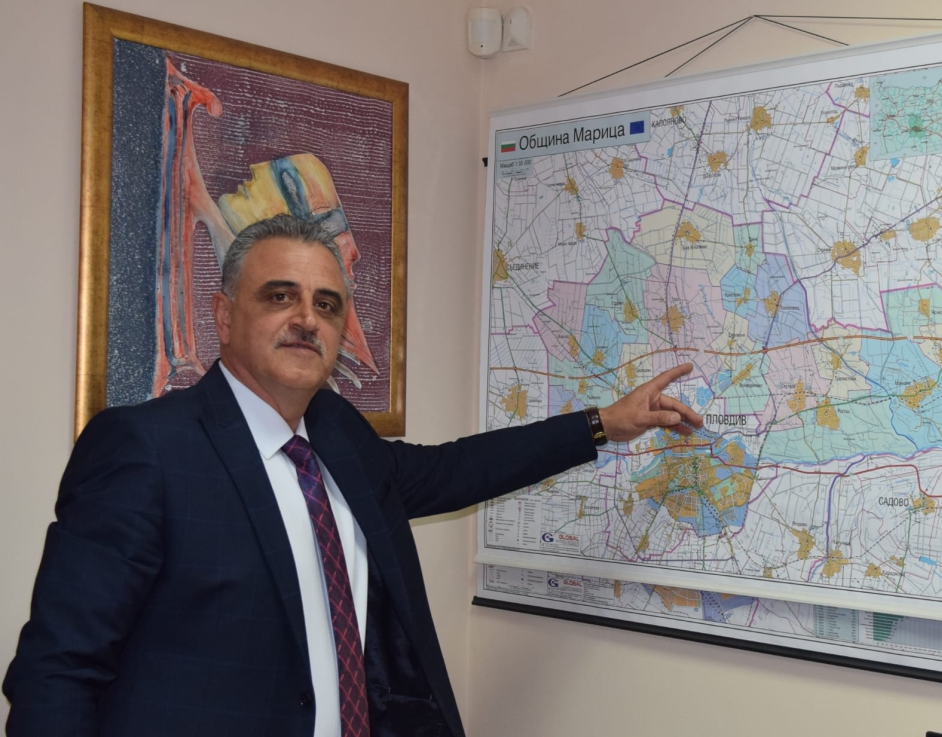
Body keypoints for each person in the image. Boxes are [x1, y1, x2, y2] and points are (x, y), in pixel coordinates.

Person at [4, 214, 703, 737]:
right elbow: (57, 671)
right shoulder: (145, 448)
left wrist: (602, 424)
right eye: (280, 296)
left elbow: (451, 471)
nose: (306, 319)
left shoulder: (338, 434)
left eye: (327, 304)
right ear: (224, 315)